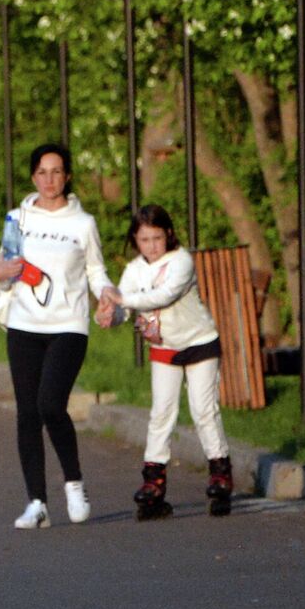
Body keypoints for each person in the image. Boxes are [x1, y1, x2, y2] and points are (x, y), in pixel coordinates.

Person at [0, 143, 121, 530]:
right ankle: (37, 502)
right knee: (27, 413)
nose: (50, 180)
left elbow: (96, 272)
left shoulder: (83, 223)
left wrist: (108, 295)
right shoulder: (17, 219)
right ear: (33, 177)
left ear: (68, 177)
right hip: (24, 324)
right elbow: (3, 269)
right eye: (42, 172)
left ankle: (74, 483)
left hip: (68, 326)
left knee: (50, 404)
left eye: (57, 171)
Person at [105, 204, 234, 519]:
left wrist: (122, 300)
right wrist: (110, 314)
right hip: (164, 349)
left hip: (199, 343)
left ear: (169, 235)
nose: (151, 246)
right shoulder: (135, 269)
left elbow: (163, 296)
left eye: (157, 238)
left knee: (204, 410)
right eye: (144, 239)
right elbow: (124, 307)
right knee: (161, 413)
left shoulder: (181, 261)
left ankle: (220, 473)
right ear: (135, 240)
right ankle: (154, 482)